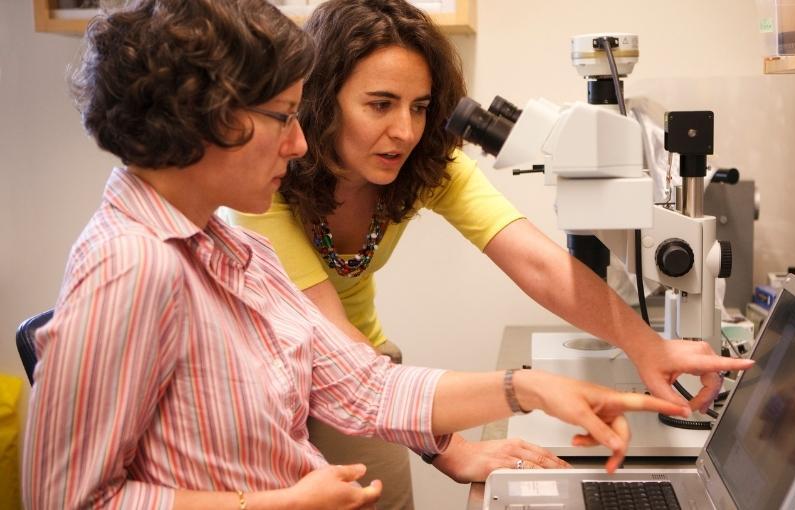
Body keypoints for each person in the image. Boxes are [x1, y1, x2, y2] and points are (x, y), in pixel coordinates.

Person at [21, 1, 693, 509]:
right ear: (210, 116)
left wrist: (526, 386)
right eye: (285, 118)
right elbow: (68, 501)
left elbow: (360, 384)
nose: (297, 144)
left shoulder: (226, 245)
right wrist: (270, 505)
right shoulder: (134, 264)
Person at [226, 0, 754, 507]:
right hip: (267, 386)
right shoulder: (264, 184)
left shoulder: (424, 164)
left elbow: (534, 260)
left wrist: (647, 347)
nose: (405, 132)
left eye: (420, 107)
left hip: (367, 366)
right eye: (380, 104)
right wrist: (452, 446)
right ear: (321, 100)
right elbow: (328, 342)